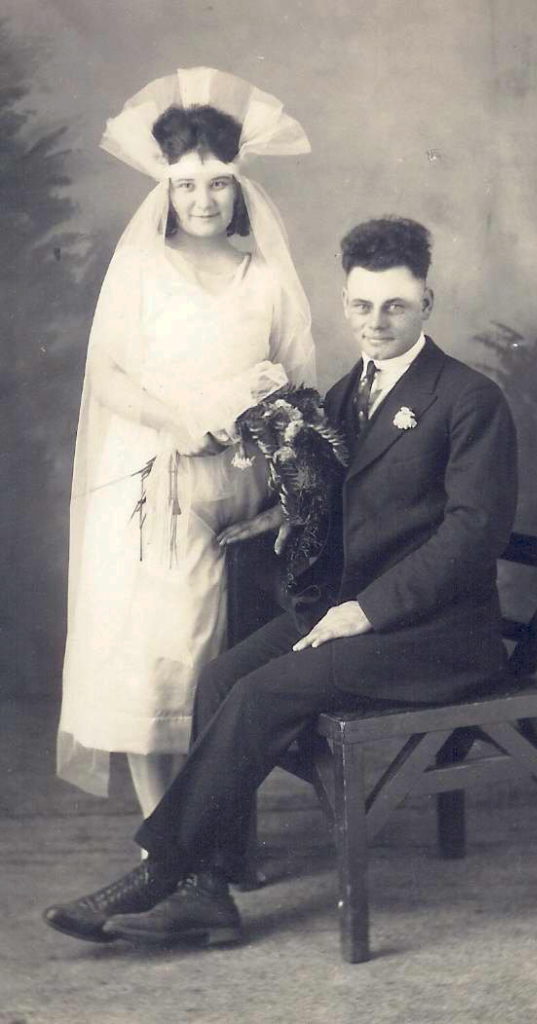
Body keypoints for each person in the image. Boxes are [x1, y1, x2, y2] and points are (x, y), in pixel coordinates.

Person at [44, 216, 518, 948]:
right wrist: (276, 514)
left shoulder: (468, 398)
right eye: (361, 307)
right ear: (345, 303)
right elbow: (328, 493)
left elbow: (470, 536)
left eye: (394, 305)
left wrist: (364, 611)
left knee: (264, 691)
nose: (376, 323)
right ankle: (212, 882)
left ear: (429, 300)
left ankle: (162, 870)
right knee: (222, 676)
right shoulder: (344, 394)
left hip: (436, 636)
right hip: (353, 613)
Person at [56, 68, 315, 817]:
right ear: (164, 192)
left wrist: (272, 453)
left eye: (219, 184)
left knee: (219, 666)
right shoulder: (143, 268)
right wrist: (176, 422)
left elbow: (299, 389)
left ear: (240, 189)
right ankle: (162, 834)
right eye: (187, 185)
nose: (204, 201)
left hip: (244, 496)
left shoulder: (265, 277)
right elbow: (105, 373)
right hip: (154, 487)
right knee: (154, 660)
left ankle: (215, 833)